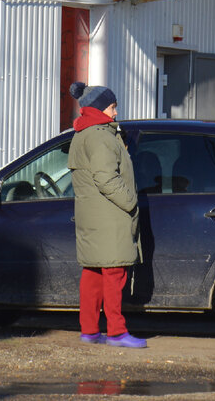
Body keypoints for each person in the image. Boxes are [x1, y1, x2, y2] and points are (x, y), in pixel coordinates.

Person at [66, 81, 146, 348]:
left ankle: (89, 331)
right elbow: (105, 178)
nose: (115, 112)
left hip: (92, 216)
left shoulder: (82, 134)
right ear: (100, 108)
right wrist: (130, 201)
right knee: (114, 274)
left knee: (93, 274)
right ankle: (116, 332)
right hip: (109, 217)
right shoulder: (101, 136)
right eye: (112, 107)